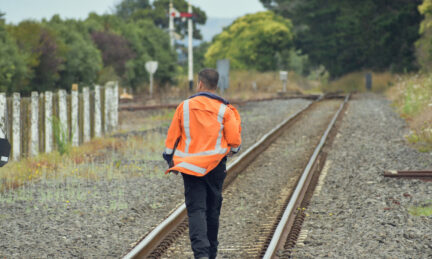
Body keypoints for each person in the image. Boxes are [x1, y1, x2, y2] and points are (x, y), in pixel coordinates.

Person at [163, 68, 242, 259]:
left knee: (196, 209)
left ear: (200, 84)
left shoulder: (185, 107)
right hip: (215, 167)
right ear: (217, 85)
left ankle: (201, 254)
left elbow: (172, 139)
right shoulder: (225, 110)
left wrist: (169, 160)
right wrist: (229, 152)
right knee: (212, 208)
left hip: (190, 167)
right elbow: (235, 142)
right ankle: (211, 252)